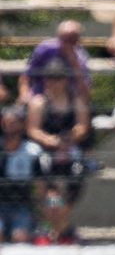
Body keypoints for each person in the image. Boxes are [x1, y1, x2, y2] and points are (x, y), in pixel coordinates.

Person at [25, 58, 91, 243]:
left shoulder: (75, 99)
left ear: (65, 80)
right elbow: (33, 129)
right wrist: (51, 141)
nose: (53, 82)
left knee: (67, 195)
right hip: (47, 152)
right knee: (51, 197)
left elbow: (82, 126)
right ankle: (56, 230)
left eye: (58, 78)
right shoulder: (39, 102)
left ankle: (59, 229)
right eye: (50, 78)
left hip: (70, 151)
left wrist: (69, 139)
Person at [0, 106, 44, 244]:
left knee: (20, 238)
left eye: (14, 122)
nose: (10, 126)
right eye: (7, 122)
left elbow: (40, 184)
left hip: (22, 205)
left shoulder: (32, 151)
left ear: (22, 124)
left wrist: (40, 209)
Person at [20, 20, 91, 103]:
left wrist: (75, 64)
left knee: (81, 107)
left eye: (72, 39)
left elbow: (85, 94)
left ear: (78, 40)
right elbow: (26, 77)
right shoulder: (45, 49)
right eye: (65, 38)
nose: (68, 43)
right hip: (40, 95)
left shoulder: (81, 57)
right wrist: (25, 96)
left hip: (69, 102)